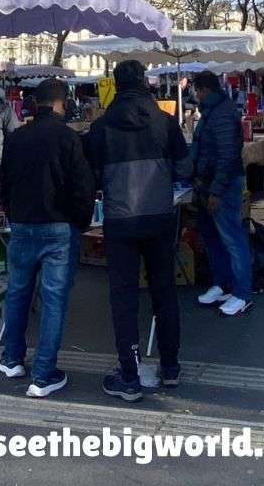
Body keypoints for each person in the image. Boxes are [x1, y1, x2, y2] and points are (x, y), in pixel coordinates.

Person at [86, 59, 192, 402]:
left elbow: (93, 176)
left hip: (120, 219)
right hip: (160, 216)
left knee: (124, 296)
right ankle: (171, 366)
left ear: (115, 85)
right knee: (164, 291)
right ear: (145, 82)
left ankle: (129, 376)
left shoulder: (101, 128)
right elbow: (183, 167)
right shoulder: (165, 122)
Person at [0, 78, 95, 398]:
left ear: (36, 104)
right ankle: (43, 373)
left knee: (18, 292)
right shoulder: (69, 138)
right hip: (58, 228)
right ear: (61, 103)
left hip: (22, 224)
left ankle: (12, 358)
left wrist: (13, 214)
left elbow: (4, 183)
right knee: (53, 301)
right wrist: (78, 223)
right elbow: (83, 188)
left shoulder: (16, 138)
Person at [189, 70, 253, 317]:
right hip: (209, 183)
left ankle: (242, 293)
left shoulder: (221, 114)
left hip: (221, 185)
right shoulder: (213, 112)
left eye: (197, 90)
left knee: (232, 238)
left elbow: (227, 156)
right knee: (214, 236)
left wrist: (216, 189)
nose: (195, 94)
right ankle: (224, 284)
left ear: (204, 90)